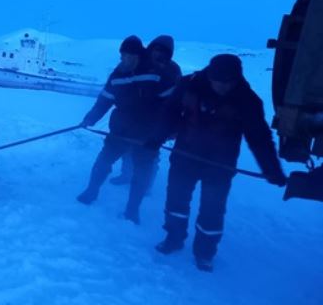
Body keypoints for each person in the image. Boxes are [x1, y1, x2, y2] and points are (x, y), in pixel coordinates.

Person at [149, 54, 287, 272]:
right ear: (209, 76)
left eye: (228, 82)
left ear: (236, 79)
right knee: (176, 202)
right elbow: (169, 114)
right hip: (185, 157)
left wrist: (272, 169)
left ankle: (204, 253)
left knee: (212, 211)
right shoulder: (188, 85)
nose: (223, 86)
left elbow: (259, 138)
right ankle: (173, 238)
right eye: (218, 81)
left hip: (220, 165)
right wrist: (155, 138)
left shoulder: (248, 100)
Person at [76, 35, 178, 224]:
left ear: (139, 56)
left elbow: (172, 105)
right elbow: (105, 99)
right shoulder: (117, 75)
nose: (126, 60)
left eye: (130, 56)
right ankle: (91, 191)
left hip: (147, 134)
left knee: (142, 172)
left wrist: (166, 131)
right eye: (123, 56)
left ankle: (132, 210)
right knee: (103, 161)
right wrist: (90, 118)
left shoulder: (156, 73)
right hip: (120, 130)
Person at [109, 35, 182, 187]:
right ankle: (126, 175)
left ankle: (145, 183)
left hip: (158, 120)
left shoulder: (173, 69)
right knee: (128, 148)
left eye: (163, 51)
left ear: (169, 53)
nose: (158, 53)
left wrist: (173, 125)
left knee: (150, 152)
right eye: (156, 49)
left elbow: (177, 98)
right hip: (133, 117)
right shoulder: (138, 63)